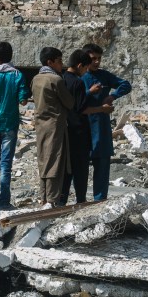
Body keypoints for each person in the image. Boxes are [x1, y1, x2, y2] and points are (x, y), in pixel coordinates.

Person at [0, 41, 30, 210]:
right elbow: (23, 100)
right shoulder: (17, 75)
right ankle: (4, 201)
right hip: (10, 124)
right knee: (6, 164)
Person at [82, 42, 132, 201]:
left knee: (102, 166)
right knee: (81, 167)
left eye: (99, 58)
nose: (96, 62)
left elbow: (125, 84)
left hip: (102, 127)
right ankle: (80, 201)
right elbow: (74, 97)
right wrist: (89, 92)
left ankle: (99, 200)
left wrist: (113, 96)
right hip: (83, 126)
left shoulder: (104, 76)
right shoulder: (79, 76)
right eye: (93, 59)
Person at [58, 49, 105, 206]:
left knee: (67, 169)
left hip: (65, 129)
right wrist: (102, 109)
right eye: (85, 68)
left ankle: (61, 201)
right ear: (80, 65)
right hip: (79, 131)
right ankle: (81, 201)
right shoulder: (78, 82)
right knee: (81, 169)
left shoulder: (61, 79)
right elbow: (82, 109)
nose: (86, 72)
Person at [31, 47, 73, 206]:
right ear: (50, 62)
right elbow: (69, 103)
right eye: (59, 61)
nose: (61, 65)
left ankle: (43, 199)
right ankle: (52, 201)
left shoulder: (36, 79)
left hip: (41, 126)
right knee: (55, 162)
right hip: (55, 127)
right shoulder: (56, 80)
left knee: (44, 160)